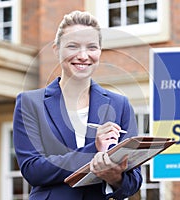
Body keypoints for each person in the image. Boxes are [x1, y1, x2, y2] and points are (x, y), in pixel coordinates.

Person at [13, 10, 142, 200]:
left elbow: (133, 182)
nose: (83, 55)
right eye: (73, 46)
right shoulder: (30, 103)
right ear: (57, 49)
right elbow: (32, 169)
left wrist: (115, 177)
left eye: (91, 47)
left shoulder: (120, 105)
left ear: (99, 51)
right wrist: (93, 151)